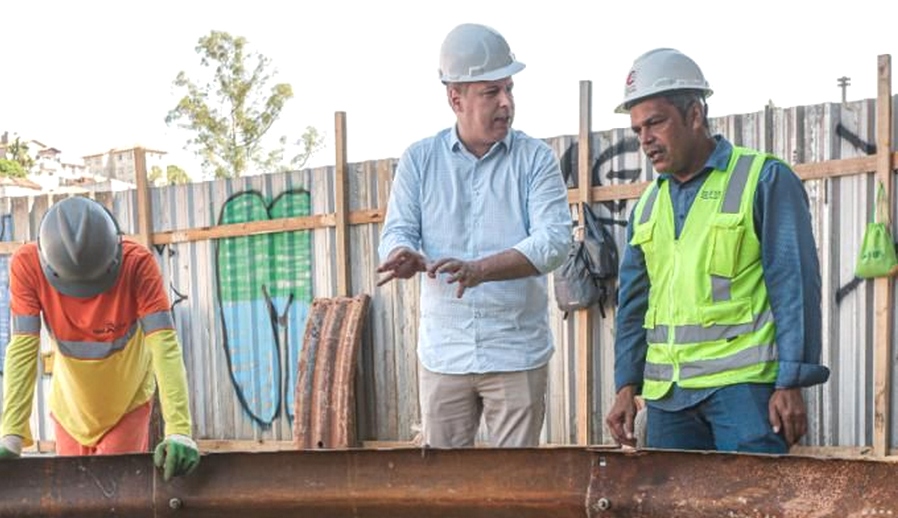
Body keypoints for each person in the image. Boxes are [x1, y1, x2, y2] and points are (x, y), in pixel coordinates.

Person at [604, 48, 830, 453]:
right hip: (668, 399)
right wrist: (626, 386)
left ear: (695, 114)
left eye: (655, 123)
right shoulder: (647, 207)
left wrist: (791, 380)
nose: (645, 140)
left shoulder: (762, 179)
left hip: (743, 393)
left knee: (750, 508)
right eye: (637, 130)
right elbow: (634, 305)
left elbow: (793, 284)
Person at [376, 23, 571, 448]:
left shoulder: (535, 160)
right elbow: (397, 230)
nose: (506, 103)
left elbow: (555, 241)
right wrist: (401, 253)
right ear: (455, 98)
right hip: (445, 355)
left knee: (513, 491)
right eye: (491, 92)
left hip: (516, 353)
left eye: (509, 89)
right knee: (445, 491)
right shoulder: (420, 161)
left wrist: (481, 270)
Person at [0, 196, 199, 480]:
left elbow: (165, 347)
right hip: (70, 408)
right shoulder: (27, 266)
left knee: (115, 494)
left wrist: (179, 430)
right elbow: (22, 348)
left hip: (127, 404)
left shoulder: (138, 264)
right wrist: (11, 434)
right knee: (74, 495)